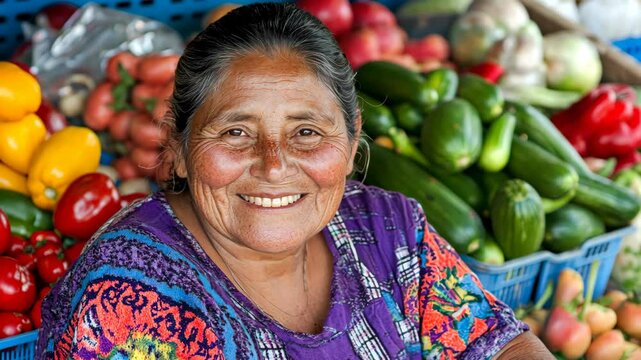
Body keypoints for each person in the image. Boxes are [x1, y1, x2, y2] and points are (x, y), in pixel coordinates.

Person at [36, 3, 554, 359]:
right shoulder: (132, 296)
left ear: (352, 142)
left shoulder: (391, 229)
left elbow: (497, 344)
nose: (274, 163)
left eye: (306, 131)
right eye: (236, 131)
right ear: (177, 147)